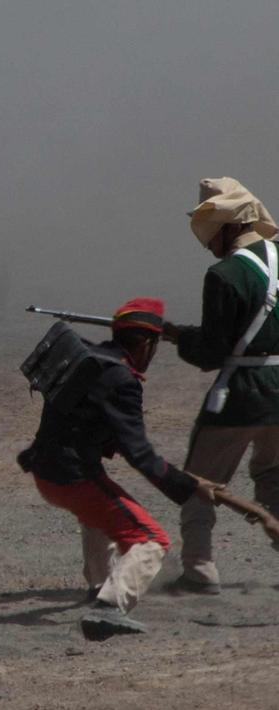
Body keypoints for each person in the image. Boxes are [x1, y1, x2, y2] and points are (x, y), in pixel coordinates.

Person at [19, 298, 221, 640]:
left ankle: (99, 584)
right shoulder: (122, 380)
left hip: (46, 472)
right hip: (73, 478)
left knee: (98, 515)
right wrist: (188, 486)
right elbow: (139, 454)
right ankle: (110, 607)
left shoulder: (89, 361)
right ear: (146, 344)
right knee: (151, 539)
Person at [164, 177, 279, 594]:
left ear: (230, 225)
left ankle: (199, 570)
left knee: (199, 480)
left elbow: (212, 352)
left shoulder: (224, 275)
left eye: (212, 226)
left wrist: (180, 338)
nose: (207, 239)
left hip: (242, 393)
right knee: (273, 476)